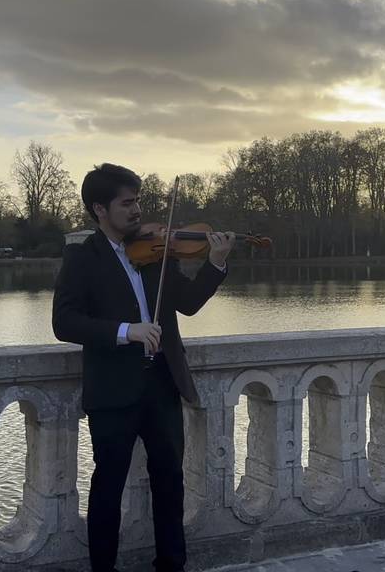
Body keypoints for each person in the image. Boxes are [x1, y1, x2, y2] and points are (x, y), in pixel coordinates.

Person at [53, 163, 233, 572]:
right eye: (127, 202)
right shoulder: (83, 258)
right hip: (113, 389)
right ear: (100, 209)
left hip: (162, 384)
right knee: (108, 486)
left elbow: (186, 303)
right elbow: (64, 322)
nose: (137, 211)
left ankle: (171, 564)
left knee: (171, 480)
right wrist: (125, 331)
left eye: (139, 201)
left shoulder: (153, 253)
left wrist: (216, 264)